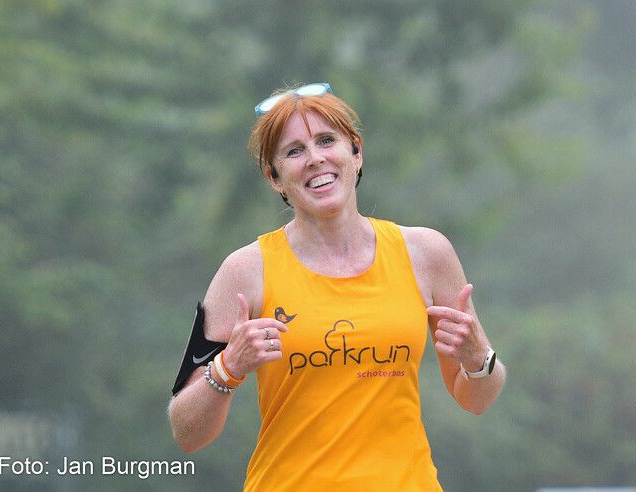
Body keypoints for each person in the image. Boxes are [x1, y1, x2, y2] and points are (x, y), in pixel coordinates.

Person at [168, 82, 506, 491]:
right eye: (294, 151)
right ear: (274, 177)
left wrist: (478, 357)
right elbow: (187, 431)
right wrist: (229, 367)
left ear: (356, 152)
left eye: (327, 141)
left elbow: (478, 397)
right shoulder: (244, 271)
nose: (315, 159)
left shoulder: (427, 253)